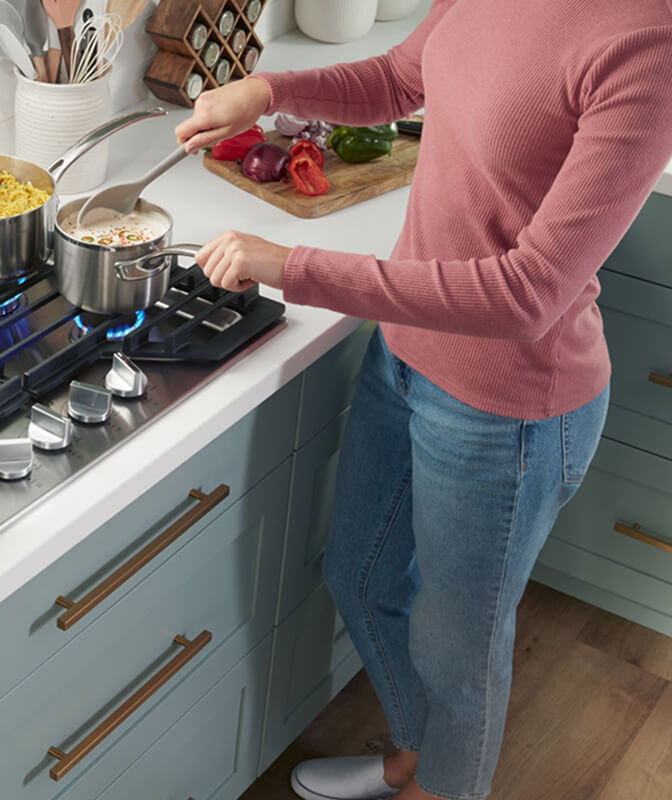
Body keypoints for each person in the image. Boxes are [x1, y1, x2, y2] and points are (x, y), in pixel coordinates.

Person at [172, 1, 672, 799]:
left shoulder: (646, 47)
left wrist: (292, 264)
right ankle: (419, 758)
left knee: (458, 652)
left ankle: (438, 787)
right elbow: (399, 78)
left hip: (507, 411)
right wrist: (263, 90)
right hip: (403, 356)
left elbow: (527, 295)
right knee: (360, 578)